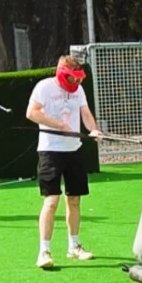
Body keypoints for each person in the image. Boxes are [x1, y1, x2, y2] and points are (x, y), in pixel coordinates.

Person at [26, 54, 103, 268]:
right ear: (61, 73)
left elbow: (85, 112)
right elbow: (31, 113)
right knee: (51, 201)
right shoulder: (44, 87)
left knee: (75, 200)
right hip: (50, 152)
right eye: (72, 79)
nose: (76, 83)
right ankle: (44, 251)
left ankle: (74, 246)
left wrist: (93, 129)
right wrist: (58, 125)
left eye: (79, 79)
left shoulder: (78, 90)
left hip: (74, 150)